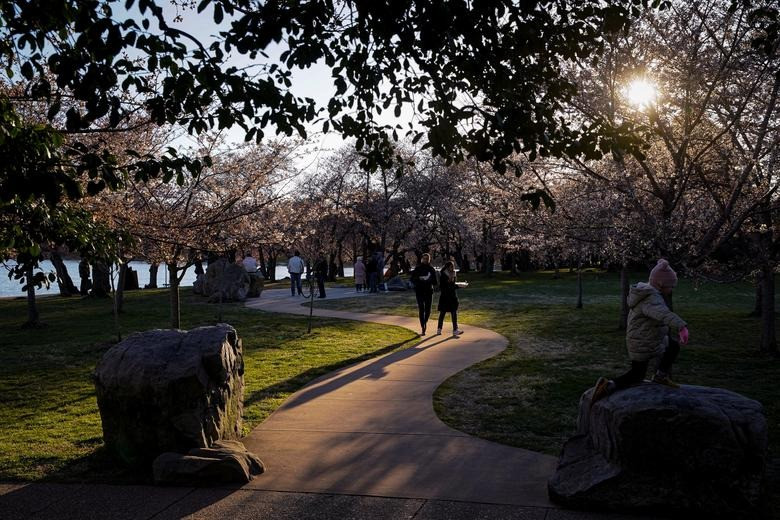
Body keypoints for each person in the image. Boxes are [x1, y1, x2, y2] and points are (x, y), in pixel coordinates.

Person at [592, 259, 689, 404]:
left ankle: (660, 376)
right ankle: (608, 385)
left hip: (650, 337)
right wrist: (681, 326)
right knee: (637, 374)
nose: (672, 289)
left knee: (673, 346)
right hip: (641, 341)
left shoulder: (649, 293)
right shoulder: (651, 299)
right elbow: (663, 314)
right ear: (661, 284)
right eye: (671, 286)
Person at [411, 253, 438, 335]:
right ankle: (423, 326)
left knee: (428, 310)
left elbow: (435, 282)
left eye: (427, 258)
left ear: (429, 259)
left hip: (429, 291)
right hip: (419, 291)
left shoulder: (431, 269)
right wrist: (419, 278)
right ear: (421, 259)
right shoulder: (418, 268)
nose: (425, 260)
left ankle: (425, 322)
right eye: (424, 258)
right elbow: (412, 279)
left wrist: (428, 280)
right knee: (421, 309)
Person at [436, 260, 464, 336]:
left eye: (453, 266)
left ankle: (455, 329)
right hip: (445, 296)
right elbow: (443, 286)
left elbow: (453, 285)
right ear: (447, 267)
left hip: (452, 296)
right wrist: (452, 283)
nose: (452, 268)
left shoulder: (453, 274)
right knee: (442, 313)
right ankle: (439, 329)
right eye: (451, 267)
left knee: (454, 313)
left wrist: (459, 286)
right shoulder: (443, 275)